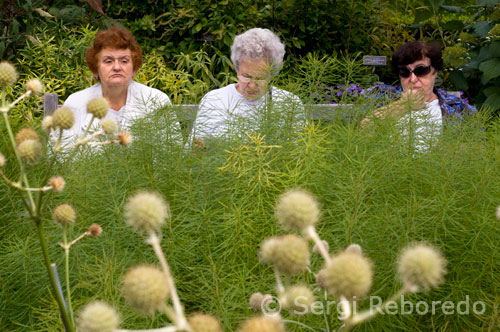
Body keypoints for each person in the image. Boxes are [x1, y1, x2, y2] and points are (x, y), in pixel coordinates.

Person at [192, 28, 303, 145]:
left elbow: (299, 153)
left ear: (272, 74)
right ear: (237, 68)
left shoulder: (290, 104)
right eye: (246, 76)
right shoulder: (214, 100)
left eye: (260, 78)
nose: (252, 85)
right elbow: (193, 153)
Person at [62, 26, 172, 140]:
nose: (117, 67)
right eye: (108, 61)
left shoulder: (157, 101)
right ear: (95, 69)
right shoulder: (76, 103)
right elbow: (64, 155)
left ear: (134, 68)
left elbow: (171, 150)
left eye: (124, 61)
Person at [363, 40, 476, 127]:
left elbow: (475, 150)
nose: (413, 79)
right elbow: (361, 131)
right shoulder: (379, 96)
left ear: (435, 71)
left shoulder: (460, 109)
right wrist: (403, 106)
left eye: (420, 70)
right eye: (405, 71)